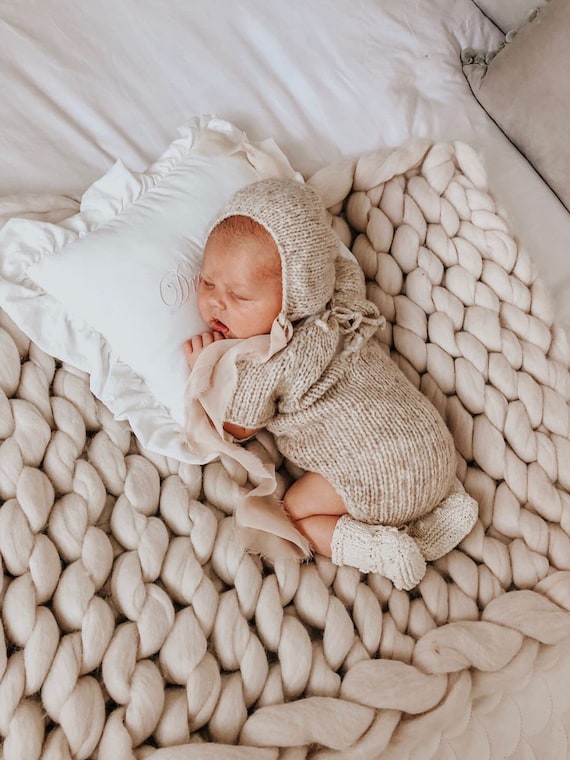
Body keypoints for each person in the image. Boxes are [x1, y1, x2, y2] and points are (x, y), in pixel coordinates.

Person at [183, 178, 478, 590]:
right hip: (432, 445)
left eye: (240, 296)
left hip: (373, 474)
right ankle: (441, 509)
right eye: (208, 282)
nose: (217, 303)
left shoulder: (267, 365)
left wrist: (207, 370)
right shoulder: (342, 303)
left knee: (294, 513)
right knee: (407, 469)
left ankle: (378, 547)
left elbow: (237, 429)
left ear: (292, 299)